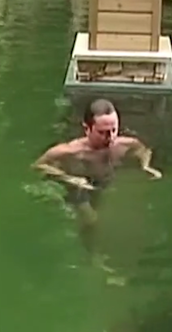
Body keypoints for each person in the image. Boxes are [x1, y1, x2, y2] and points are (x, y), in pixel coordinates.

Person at [32, 98, 162, 279]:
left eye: (114, 130)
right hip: (79, 186)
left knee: (106, 217)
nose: (110, 138)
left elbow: (142, 149)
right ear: (87, 128)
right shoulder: (69, 151)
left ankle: (105, 253)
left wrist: (145, 166)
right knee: (92, 219)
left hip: (101, 185)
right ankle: (92, 259)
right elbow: (38, 166)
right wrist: (69, 178)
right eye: (103, 133)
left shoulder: (123, 144)